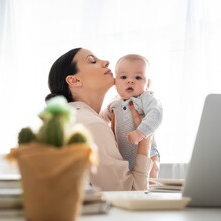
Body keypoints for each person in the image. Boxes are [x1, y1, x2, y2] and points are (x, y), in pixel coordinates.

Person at [45, 48, 153, 191]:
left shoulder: (66, 120)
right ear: (74, 80)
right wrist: (145, 142)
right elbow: (130, 194)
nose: (106, 62)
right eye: (93, 61)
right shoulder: (92, 125)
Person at [100, 54, 162, 178]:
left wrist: (141, 133)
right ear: (115, 83)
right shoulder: (113, 103)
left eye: (138, 77)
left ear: (148, 84)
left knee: (149, 178)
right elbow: (101, 118)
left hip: (148, 152)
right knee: (131, 184)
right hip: (123, 155)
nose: (130, 80)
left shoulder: (146, 98)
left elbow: (156, 114)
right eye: (123, 77)